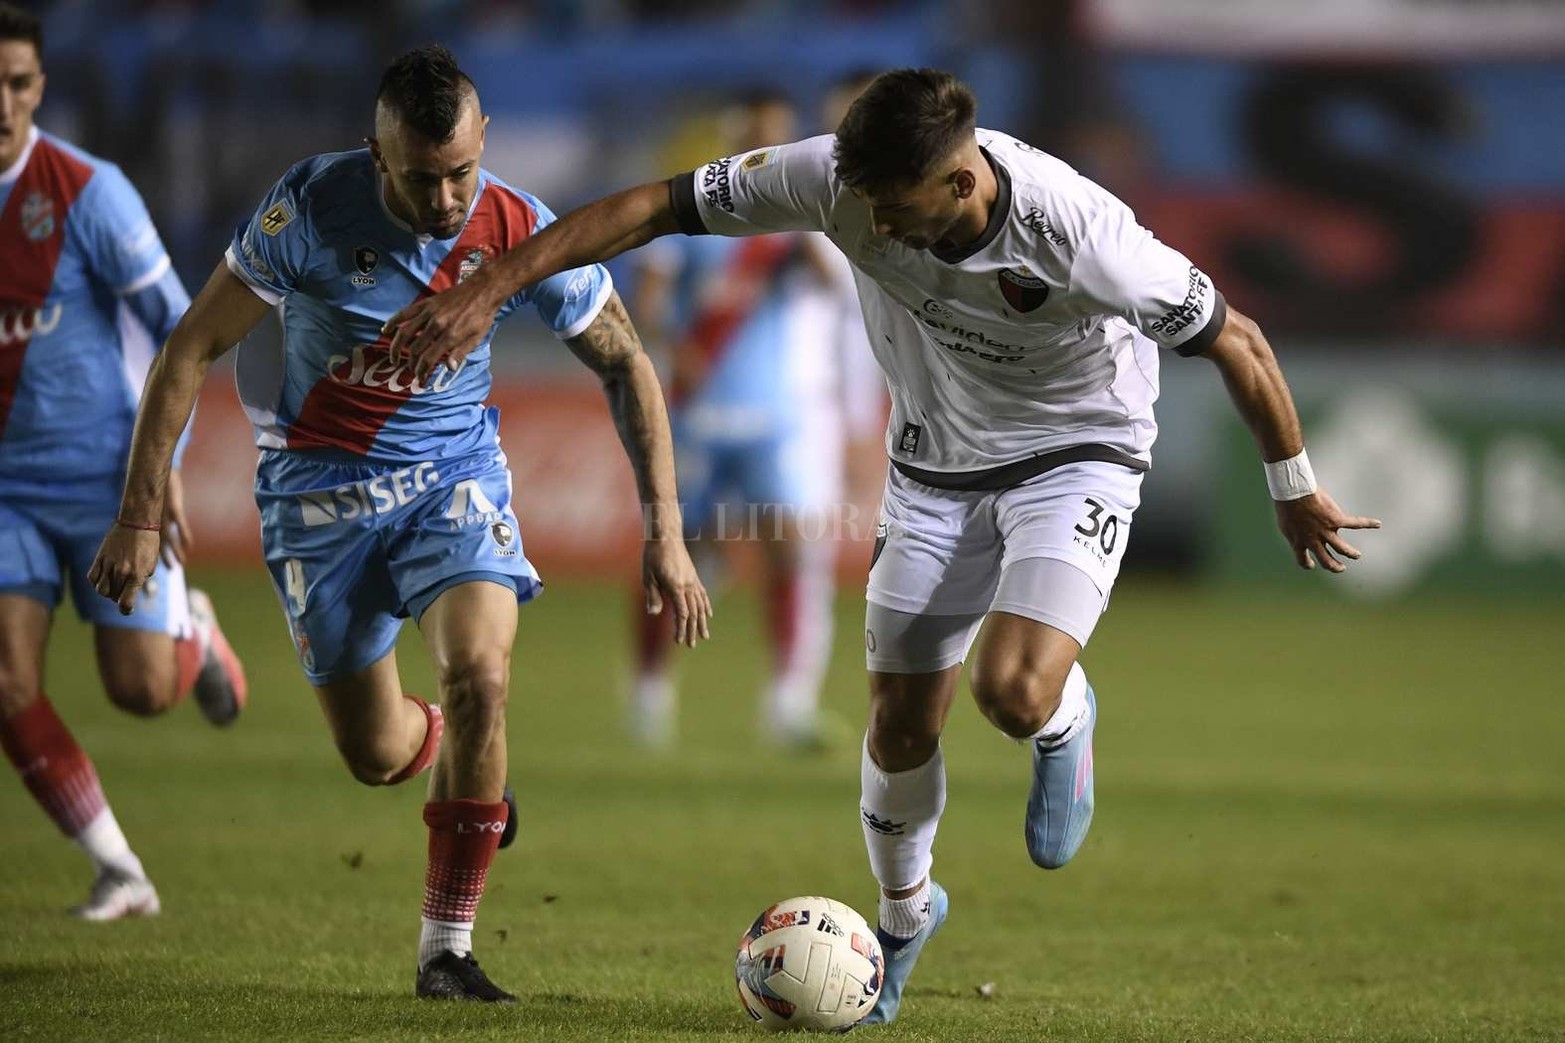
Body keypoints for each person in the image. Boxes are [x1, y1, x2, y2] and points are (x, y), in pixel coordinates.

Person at [379, 67, 1379, 1022]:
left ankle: (1062, 717)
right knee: (899, 722)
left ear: (960, 182)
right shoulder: (832, 177)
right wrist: (490, 287)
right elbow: (650, 208)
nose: (872, 223)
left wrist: (1291, 484)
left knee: (1010, 688)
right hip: (932, 465)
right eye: (860, 201)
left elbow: (1239, 340)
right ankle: (902, 920)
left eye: (892, 206)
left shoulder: (1082, 237)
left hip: (1077, 451)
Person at [89, 46, 710, 1002]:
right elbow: (191, 348)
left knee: (482, 677)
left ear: (484, 139)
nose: (446, 198)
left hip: (449, 484)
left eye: (462, 170)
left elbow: (626, 361)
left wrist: (664, 530)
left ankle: (445, 950)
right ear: (377, 153)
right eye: (422, 178)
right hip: (316, 498)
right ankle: (457, 757)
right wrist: (139, 512)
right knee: (377, 755)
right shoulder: (309, 209)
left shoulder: (515, 226)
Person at [0, 2, 247, 923]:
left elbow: (185, 329)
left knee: (140, 690)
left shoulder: (86, 193)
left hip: (107, 481)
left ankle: (197, 632)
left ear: (40, 87)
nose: (2, 103)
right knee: (6, 680)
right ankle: (120, 869)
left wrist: (160, 467)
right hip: (6, 493)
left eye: (18, 83)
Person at [628, 89, 878, 750]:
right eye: (758, 131)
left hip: (778, 415)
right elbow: (648, 297)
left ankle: (787, 701)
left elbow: (844, 292)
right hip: (699, 413)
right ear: (735, 133)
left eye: (779, 134)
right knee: (680, 551)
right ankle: (650, 688)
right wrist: (674, 347)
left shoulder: (805, 216)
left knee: (789, 549)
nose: (769, 145)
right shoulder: (692, 206)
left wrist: (811, 243)